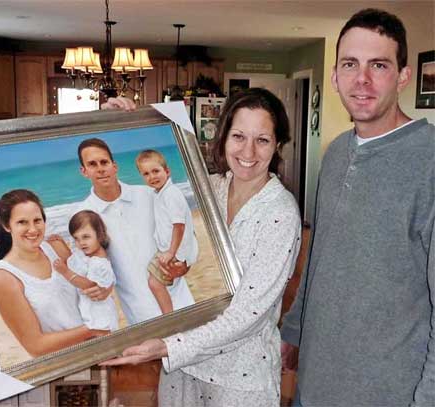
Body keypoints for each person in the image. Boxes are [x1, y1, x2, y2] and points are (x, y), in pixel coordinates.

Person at [103, 88, 302, 406]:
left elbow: (247, 316)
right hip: (184, 369)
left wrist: (167, 347)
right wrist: (121, 123)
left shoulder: (280, 212)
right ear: (223, 138)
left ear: (277, 145)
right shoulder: (208, 188)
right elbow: (138, 195)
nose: (248, 150)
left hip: (239, 378)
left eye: (262, 139)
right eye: (239, 136)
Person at [280, 9, 435, 406]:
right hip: (313, 385)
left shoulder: (429, 161)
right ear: (334, 76)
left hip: (385, 394)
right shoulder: (334, 153)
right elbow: (318, 257)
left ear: (402, 76)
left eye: (378, 65)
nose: (361, 79)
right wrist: (294, 331)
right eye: (350, 64)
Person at [75, 138, 195, 325]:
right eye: (92, 164)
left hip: (181, 303)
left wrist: (185, 265)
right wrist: (102, 288)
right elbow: (91, 266)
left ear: (114, 166)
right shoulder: (83, 215)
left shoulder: (149, 195)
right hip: (140, 316)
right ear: (84, 171)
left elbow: (186, 232)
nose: (100, 168)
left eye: (104, 162)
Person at [0, 189, 106, 357]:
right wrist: (91, 329)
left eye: (37, 220)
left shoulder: (56, 248)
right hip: (68, 363)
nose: (33, 229)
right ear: (7, 226)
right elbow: (36, 346)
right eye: (22, 222)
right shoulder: (4, 276)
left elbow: (89, 289)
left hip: (102, 347)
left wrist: (100, 290)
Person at [135, 149, 199, 314]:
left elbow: (179, 225)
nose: (152, 177)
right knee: (154, 280)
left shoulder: (171, 194)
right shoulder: (160, 193)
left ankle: (168, 315)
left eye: (156, 171)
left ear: (167, 171)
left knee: (154, 283)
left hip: (175, 251)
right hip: (169, 248)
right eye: (146, 174)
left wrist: (171, 252)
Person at [53, 210, 119, 332]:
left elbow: (90, 285)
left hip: (102, 320)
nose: (81, 243)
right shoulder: (89, 257)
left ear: (100, 235)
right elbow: (75, 263)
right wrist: (62, 244)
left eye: (86, 237)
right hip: (92, 318)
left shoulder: (100, 263)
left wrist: (65, 272)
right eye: (76, 239)